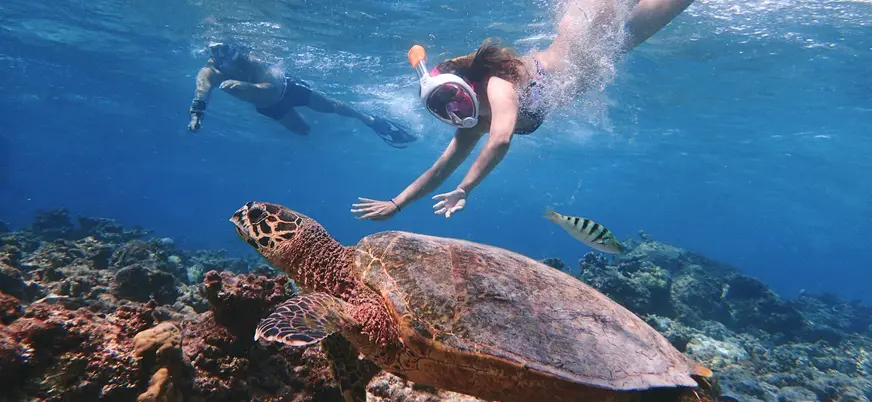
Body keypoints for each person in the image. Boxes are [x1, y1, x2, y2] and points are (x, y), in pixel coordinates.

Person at [351, 0, 694, 220]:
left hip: (579, 38)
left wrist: (466, 188)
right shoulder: (473, 122)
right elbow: (440, 169)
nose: (457, 113)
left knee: (605, 12)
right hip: (597, 58)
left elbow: (500, 141)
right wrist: (397, 204)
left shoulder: (497, 86)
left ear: (468, 85)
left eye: (455, 100)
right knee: (658, 15)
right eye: (448, 111)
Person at [187, 42, 418, 148]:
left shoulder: (254, 62)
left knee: (332, 106)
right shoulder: (210, 72)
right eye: (223, 58)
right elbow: (201, 92)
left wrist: (247, 89)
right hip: (270, 106)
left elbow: (273, 88)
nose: (230, 61)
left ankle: (371, 121)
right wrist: (196, 117)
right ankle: (322, 128)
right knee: (304, 131)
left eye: (232, 55)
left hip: (289, 89)